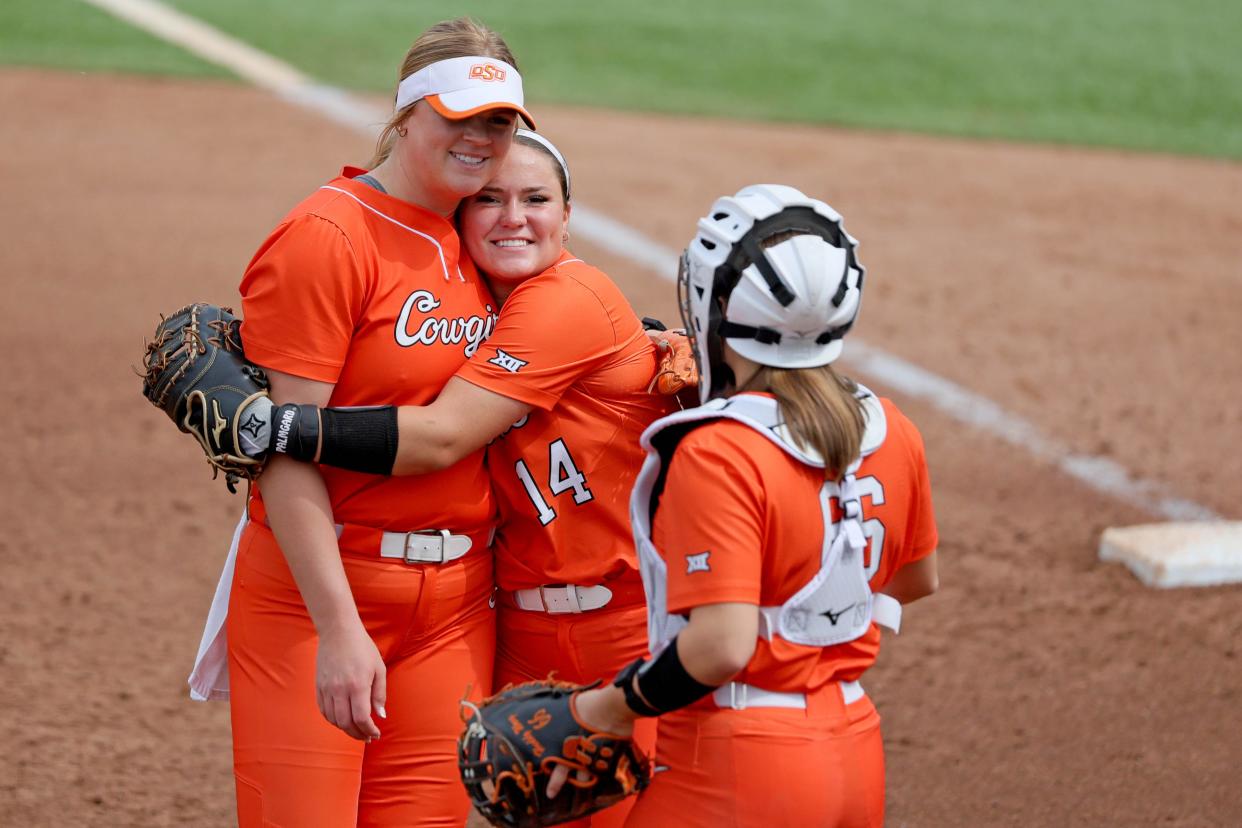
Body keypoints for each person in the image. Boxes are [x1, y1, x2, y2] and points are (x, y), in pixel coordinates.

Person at [230, 130, 677, 827]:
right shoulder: (469, 305)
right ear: (458, 215)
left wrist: (272, 428)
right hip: (515, 625)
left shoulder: (566, 299)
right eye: (489, 199)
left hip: (614, 628)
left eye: (536, 199)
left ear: (567, 216)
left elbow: (440, 437)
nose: (513, 216)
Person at [218, 18, 533, 827]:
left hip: (457, 610)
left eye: (498, 124)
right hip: (323, 595)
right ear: (406, 114)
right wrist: (337, 628)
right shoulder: (328, 238)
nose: (479, 140)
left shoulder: (483, 237)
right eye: (458, 117)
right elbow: (284, 451)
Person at [556, 184, 940, 827]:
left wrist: (606, 710)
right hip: (854, 745)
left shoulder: (719, 449)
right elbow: (915, 578)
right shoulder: (890, 425)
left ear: (718, 307)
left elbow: (720, 648)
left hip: (736, 761)